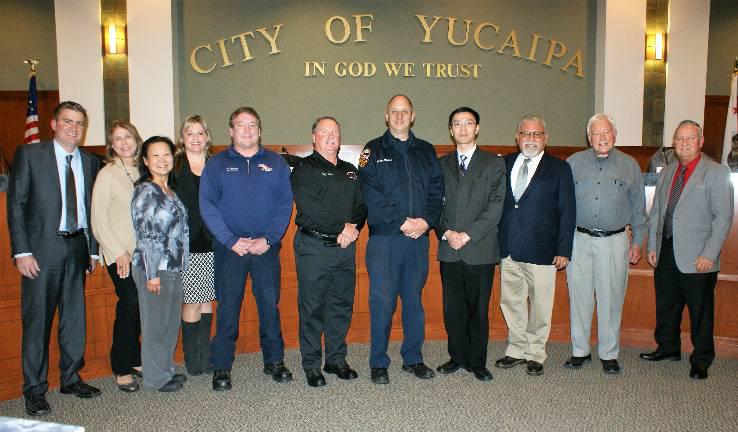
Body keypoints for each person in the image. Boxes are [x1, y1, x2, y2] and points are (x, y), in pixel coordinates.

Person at [7, 101, 102, 416]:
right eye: (68, 121)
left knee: (74, 319)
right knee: (37, 323)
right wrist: (22, 251)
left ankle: (71, 378)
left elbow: (91, 209)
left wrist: (91, 249)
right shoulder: (30, 155)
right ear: (53, 124)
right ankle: (34, 390)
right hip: (41, 251)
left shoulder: (89, 161)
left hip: (76, 248)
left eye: (79, 123)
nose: (74, 128)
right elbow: (17, 204)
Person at [200, 107, 294, 391]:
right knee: (228, 306)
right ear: (231, 131)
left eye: (253, 125)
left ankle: (274, 361)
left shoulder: (276, 163)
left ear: (260, 130)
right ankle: (222, 366)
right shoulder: (216, 165)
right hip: (230, 249)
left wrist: (269, 239)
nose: (247, 130)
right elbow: (208, 205)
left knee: (269, 304)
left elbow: (284, 204)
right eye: (241, 125)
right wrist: (230, 240)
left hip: (265, 248)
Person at [358, 94, 444, 385]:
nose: (399, 116)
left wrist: (426, 221)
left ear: (412, 115)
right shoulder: (372, 150)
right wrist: (402, 221)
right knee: (381, 301)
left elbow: (436, 193)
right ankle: (378, 362)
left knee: (413, 300)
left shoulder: (426, 151)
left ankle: (413, 359)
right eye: (394, 112)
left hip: (418, 239)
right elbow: (370, 194)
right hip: (385, 240)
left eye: (404, 111)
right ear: (386, 116)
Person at [642, 120, 734, 380]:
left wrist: (710, 254)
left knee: (700, 310)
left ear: (701, 141)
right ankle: (668, 347)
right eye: (679, 138)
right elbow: (658, 210)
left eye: (690, 138)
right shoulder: (668, 171)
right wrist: (653, 245)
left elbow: (723, 218)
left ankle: (701, 359)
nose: (684, 143)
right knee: (667, 304)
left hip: (699, 256)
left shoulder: (716, 172)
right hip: (667, 249)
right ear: (673, 142)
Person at [564, 113, 647, 374]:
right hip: (578, 240)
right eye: (596, 133)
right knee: (579, 297)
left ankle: (609, 353)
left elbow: (638, 209)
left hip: (614, 241)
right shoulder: (573, 163)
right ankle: (580, 351)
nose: (602, 138)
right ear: (589, 138)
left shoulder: (629, 165)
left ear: (615, 135)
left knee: (611, 298)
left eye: (606, 132)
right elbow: (562, 206)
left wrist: (638, 242)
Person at [495, 115, 576, 377]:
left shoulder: (560, 169)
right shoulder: (504, 163)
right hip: (508, 246)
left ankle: (535, 353)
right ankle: (516, 349)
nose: (531, 139)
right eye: (525, 134)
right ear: (517, 137)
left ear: (546, 138)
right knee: (511, 301)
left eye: (536, 134)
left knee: (541, 305)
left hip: (543, 248)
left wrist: (564, 248)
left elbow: (567, 211)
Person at [290, 116, 368, 387]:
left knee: (340, 306)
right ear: (314, 137)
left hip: (345, 249)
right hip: (314, 248)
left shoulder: (350, 170)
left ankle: (335, 360)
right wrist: (341, 228)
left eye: (335, 131)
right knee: (312, 308)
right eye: (324, 132)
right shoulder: (303, 169)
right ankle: (311, 364)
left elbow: (361, 205)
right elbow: (310, 207)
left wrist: (353, 228)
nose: (330, 136)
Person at [435, 107, 505, 382]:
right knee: (453, 308)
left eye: (468, 123)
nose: (462, 128)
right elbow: (433, 206)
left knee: (478, 308)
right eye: (457, 124)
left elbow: (496, 205)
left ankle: (477, 361)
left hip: (480, 248)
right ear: (451, 130)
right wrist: (446, 232)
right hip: (449, 247)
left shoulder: (493, 163)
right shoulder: (441, 164)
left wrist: (468, 234)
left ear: (477, 128)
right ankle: (457, 356)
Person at [131, 136, 189, 392]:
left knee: (169, 323)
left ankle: (165, 370)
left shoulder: (170, 191)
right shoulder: (146, 191)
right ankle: (155, 378)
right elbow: (146, 235)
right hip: (153, 269)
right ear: (145, 161)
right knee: (155, 325)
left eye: (166, 154)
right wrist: (152, 273)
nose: (162, 160)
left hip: (173, 267)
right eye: (155, 155)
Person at [91, 120, 144, 392]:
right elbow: (98, 220)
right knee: (130, 302)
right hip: (118, 254)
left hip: (143, 254)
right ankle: (122, 367)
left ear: (136, 140)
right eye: (117, 139)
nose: (124, 142)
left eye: (128, 137)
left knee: (139, 306)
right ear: (111, 145)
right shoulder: (107, 174)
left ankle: (135, 358)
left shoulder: (144, 170)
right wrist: (118, 251)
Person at [174, 115, 216, 376]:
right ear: (182, 138)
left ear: (207, 137)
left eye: (200, 133)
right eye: (190, 133)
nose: (196, 138)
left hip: (213, 242)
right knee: (191, 300)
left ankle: (205, 354)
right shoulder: (174, 166)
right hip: (186, 244)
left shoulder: (216, 165)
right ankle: (193, 359)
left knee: (208, 299)